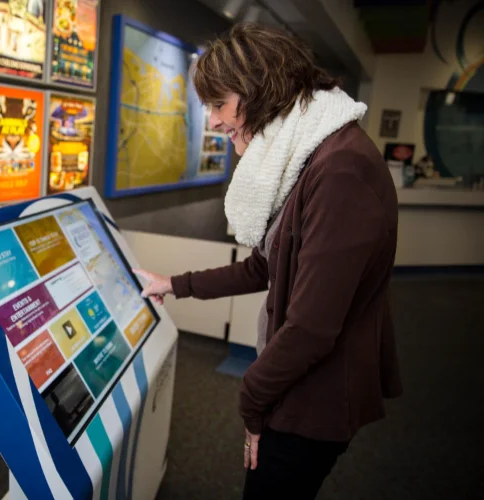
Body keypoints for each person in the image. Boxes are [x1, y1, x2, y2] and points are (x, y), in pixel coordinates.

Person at [133, 23, 403, 499]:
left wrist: (252, 401)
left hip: (312, 401)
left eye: (219, 104)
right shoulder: (309, 153)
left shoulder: (339, 170)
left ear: (262, 91)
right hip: (298, 386)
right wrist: (174, 283)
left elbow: (312, 327)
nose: (213, 122)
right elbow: (266, 265)